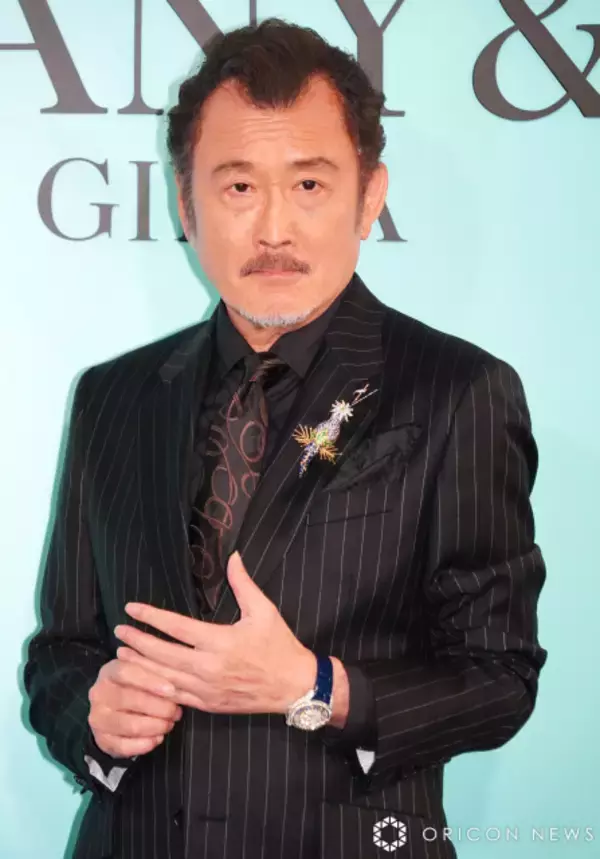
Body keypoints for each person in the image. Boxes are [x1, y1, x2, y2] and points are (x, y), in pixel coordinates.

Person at [23, 17, 548, 859]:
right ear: (186, 203)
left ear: (369, 197)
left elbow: (499, 678)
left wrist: (317, 686)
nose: (274, 228)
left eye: (308, 184)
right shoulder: (112, 396)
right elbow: (62, 649)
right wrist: (94, 713)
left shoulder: (459, 392)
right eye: (238, 187)